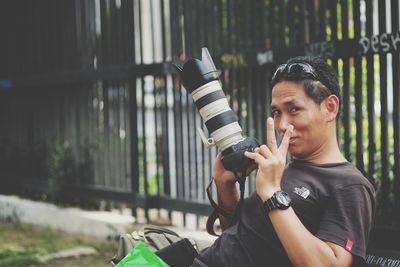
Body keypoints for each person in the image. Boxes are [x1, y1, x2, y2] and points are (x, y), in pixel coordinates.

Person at [193, 56, 376, 267]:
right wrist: (224, 185)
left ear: (330, 107)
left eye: (294, 109)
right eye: (277, 112)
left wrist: (273, 194)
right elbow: (239, 239)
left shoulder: (349, 185)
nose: (282, 124)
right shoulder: (287, 168)